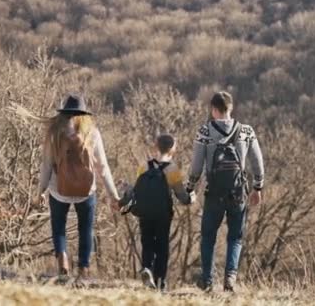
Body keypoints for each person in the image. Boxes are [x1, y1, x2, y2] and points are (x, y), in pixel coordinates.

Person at [35, 95, 121, 281]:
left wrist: (41, 191)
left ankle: (63, 260)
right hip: (86, 191)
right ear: (84, 114)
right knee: (86, 229)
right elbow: (103, 167)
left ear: (63, 112)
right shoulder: (92, 133)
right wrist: (113, 195)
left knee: (58, 228)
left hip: (59, 190)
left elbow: (47, 165)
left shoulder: (54, 133)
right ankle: (83, 268)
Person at [186, 91, 265, 293]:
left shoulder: (205, 131)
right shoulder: (246, 131)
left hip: (214, 194)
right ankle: (230, 277)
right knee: (235, 237)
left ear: (214, 110)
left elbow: (196, 166)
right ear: (231, 108)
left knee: (208, 237)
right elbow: (257, 163)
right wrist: (257, 187)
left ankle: (208, 280)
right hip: (238, 193)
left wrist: (190, 187)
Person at [119, 134, 195, 292]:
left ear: (156, 147)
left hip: (144, 213)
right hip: (163, 215)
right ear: (173, 149)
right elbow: (181, 196)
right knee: (162, 246)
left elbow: (136, 190)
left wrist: (122, 200)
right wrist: (191, 198)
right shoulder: (173, 169)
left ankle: (147, 268)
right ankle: (160, 281)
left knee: (147, 242)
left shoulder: (144, 166)